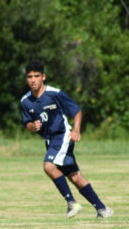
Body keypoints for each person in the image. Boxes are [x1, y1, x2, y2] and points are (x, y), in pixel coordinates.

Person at [19, 61, 113, 218]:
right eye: (29, 77)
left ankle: (72, 203)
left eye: (36, 76)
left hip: (62, 136)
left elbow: (76, 111)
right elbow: (26, 123)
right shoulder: (25, 101)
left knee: (48, 166)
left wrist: (76, 130)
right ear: (26, 79)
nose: (33, 80)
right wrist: (32, 126)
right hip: (50, 140)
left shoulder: (55, 94)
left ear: (43, 77)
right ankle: (103, 209)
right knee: (75, 176)